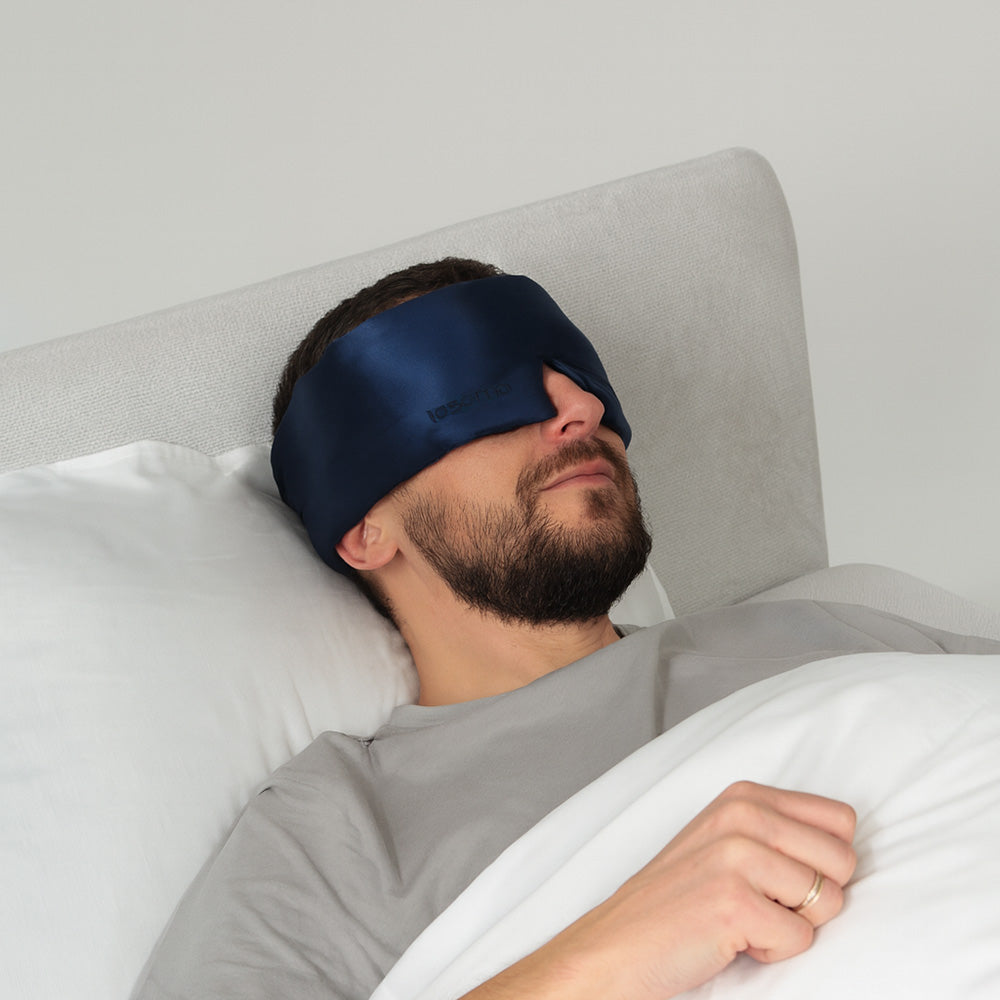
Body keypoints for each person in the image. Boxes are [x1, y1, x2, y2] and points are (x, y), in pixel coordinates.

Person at [134, 258, 999, 1000]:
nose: (578, 406)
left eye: (578, 375)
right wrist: (614, 952)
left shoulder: (819, 635)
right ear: (365, 530)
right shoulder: (338, 830)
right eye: (483, 391)